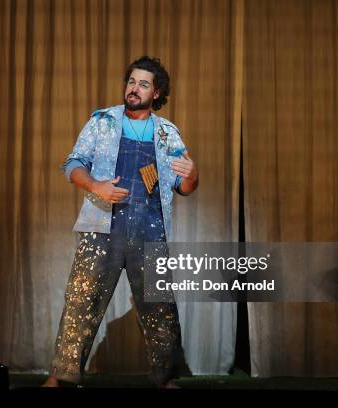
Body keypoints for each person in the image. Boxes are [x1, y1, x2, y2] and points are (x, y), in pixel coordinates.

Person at [43, 56, 198, 388]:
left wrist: (192, 176)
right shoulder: (103, 122)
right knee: (81, 301)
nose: (134, 88)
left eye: (143, 84)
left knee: (160, 307)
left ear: (156, 93)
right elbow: (73, 164)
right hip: (103, 227)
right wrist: (95, 185)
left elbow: (182, 186)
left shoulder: (167, 133)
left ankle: (165, 378)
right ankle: (61, 377)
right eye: (131, 81)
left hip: (150, 229)